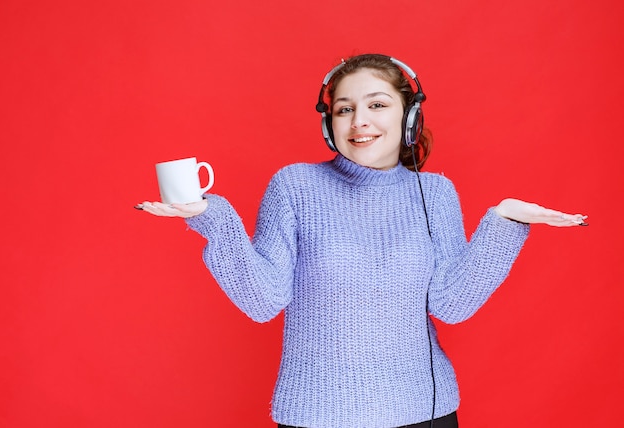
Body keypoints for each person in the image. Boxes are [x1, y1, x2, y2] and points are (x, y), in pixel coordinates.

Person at [137, 54, 587, 428]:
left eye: (377, 105)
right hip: (316, 415)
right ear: (329, 123)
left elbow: (452, 304)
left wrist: (503, 222)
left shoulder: (436, 194)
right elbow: (262, 300)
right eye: (345, 109)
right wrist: (213, 219)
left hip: (424, 414)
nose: (360, 122)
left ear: (409, 115)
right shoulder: (295, 186)